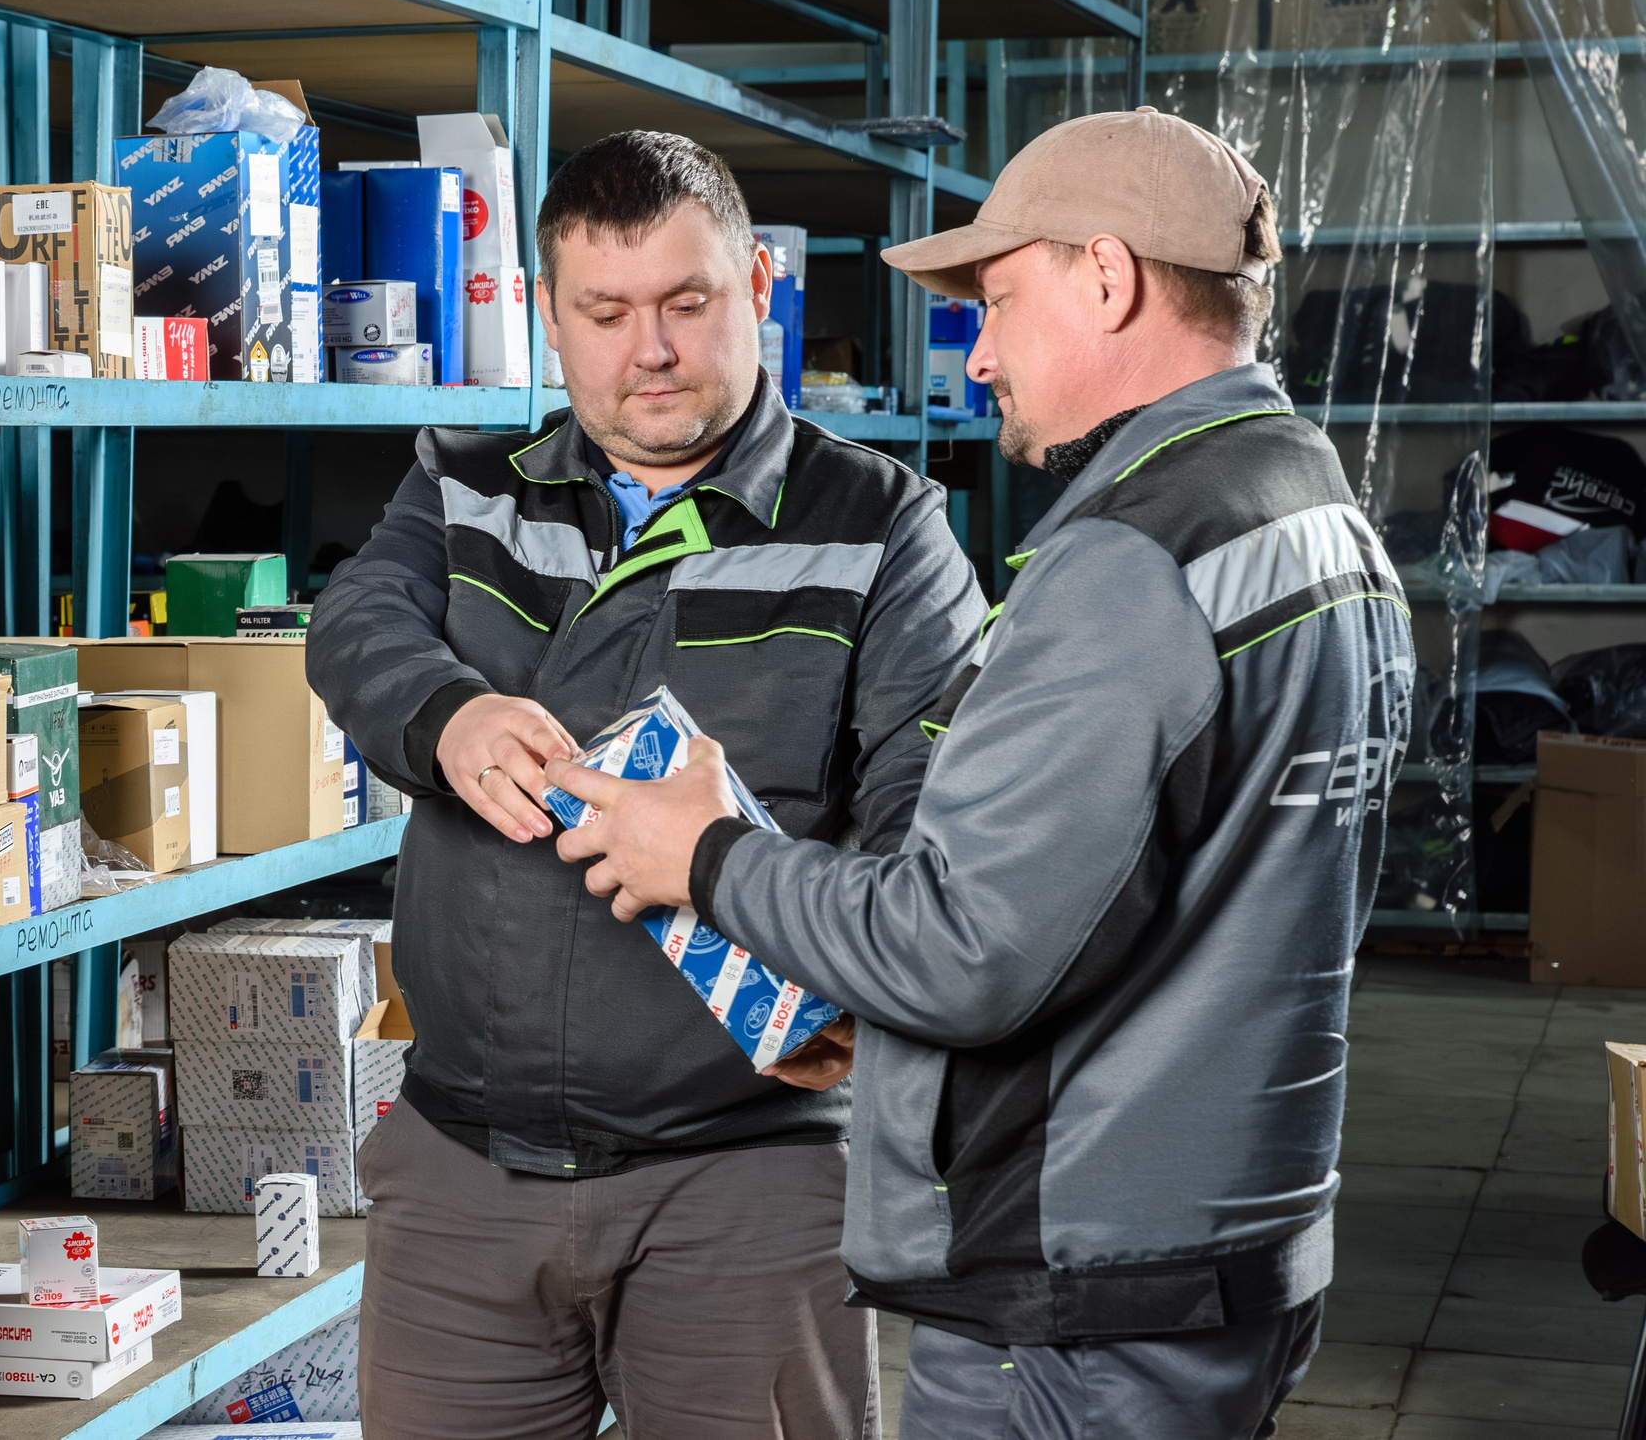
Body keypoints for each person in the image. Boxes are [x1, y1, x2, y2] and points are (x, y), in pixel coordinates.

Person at [556, 107, 1415, 1440]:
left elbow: (963, 949)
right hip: (1231, 1254)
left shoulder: (1134, 564)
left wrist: (709, 859)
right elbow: (1155, 906)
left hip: (1077, 1303)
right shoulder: (1314, 518)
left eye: (1000, 299)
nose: (979, 351)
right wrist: (884, 1040)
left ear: (1111, 277)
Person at [306, 129, 986, 1439]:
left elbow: (933, 832)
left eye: (687, 303)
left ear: (760, 291)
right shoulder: (464, 488)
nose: (651, 351)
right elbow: (356, 625)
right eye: (607, 313)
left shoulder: (881, 530)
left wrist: (823, 950)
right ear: (552, 317)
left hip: (746, 1178)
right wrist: (444, 715)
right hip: (463, 1169)